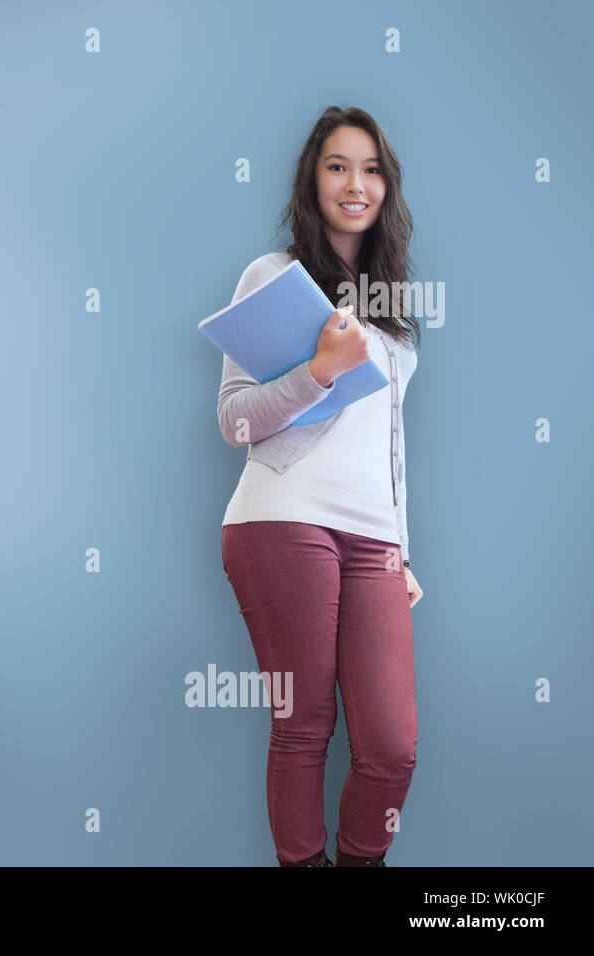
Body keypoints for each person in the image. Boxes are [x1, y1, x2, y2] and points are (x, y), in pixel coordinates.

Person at [217, 106, 424, 867]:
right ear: (314, 178)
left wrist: (403, 549)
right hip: (282, 518)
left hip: (374, 538)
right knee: (303, 727)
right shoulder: (274, 278)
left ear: (385, 186)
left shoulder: (392, 313)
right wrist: (319, 372)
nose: (355, 183)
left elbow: (393, 446)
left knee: (392, 748)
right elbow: (235, 421)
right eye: (338, 165)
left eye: (370, 168)